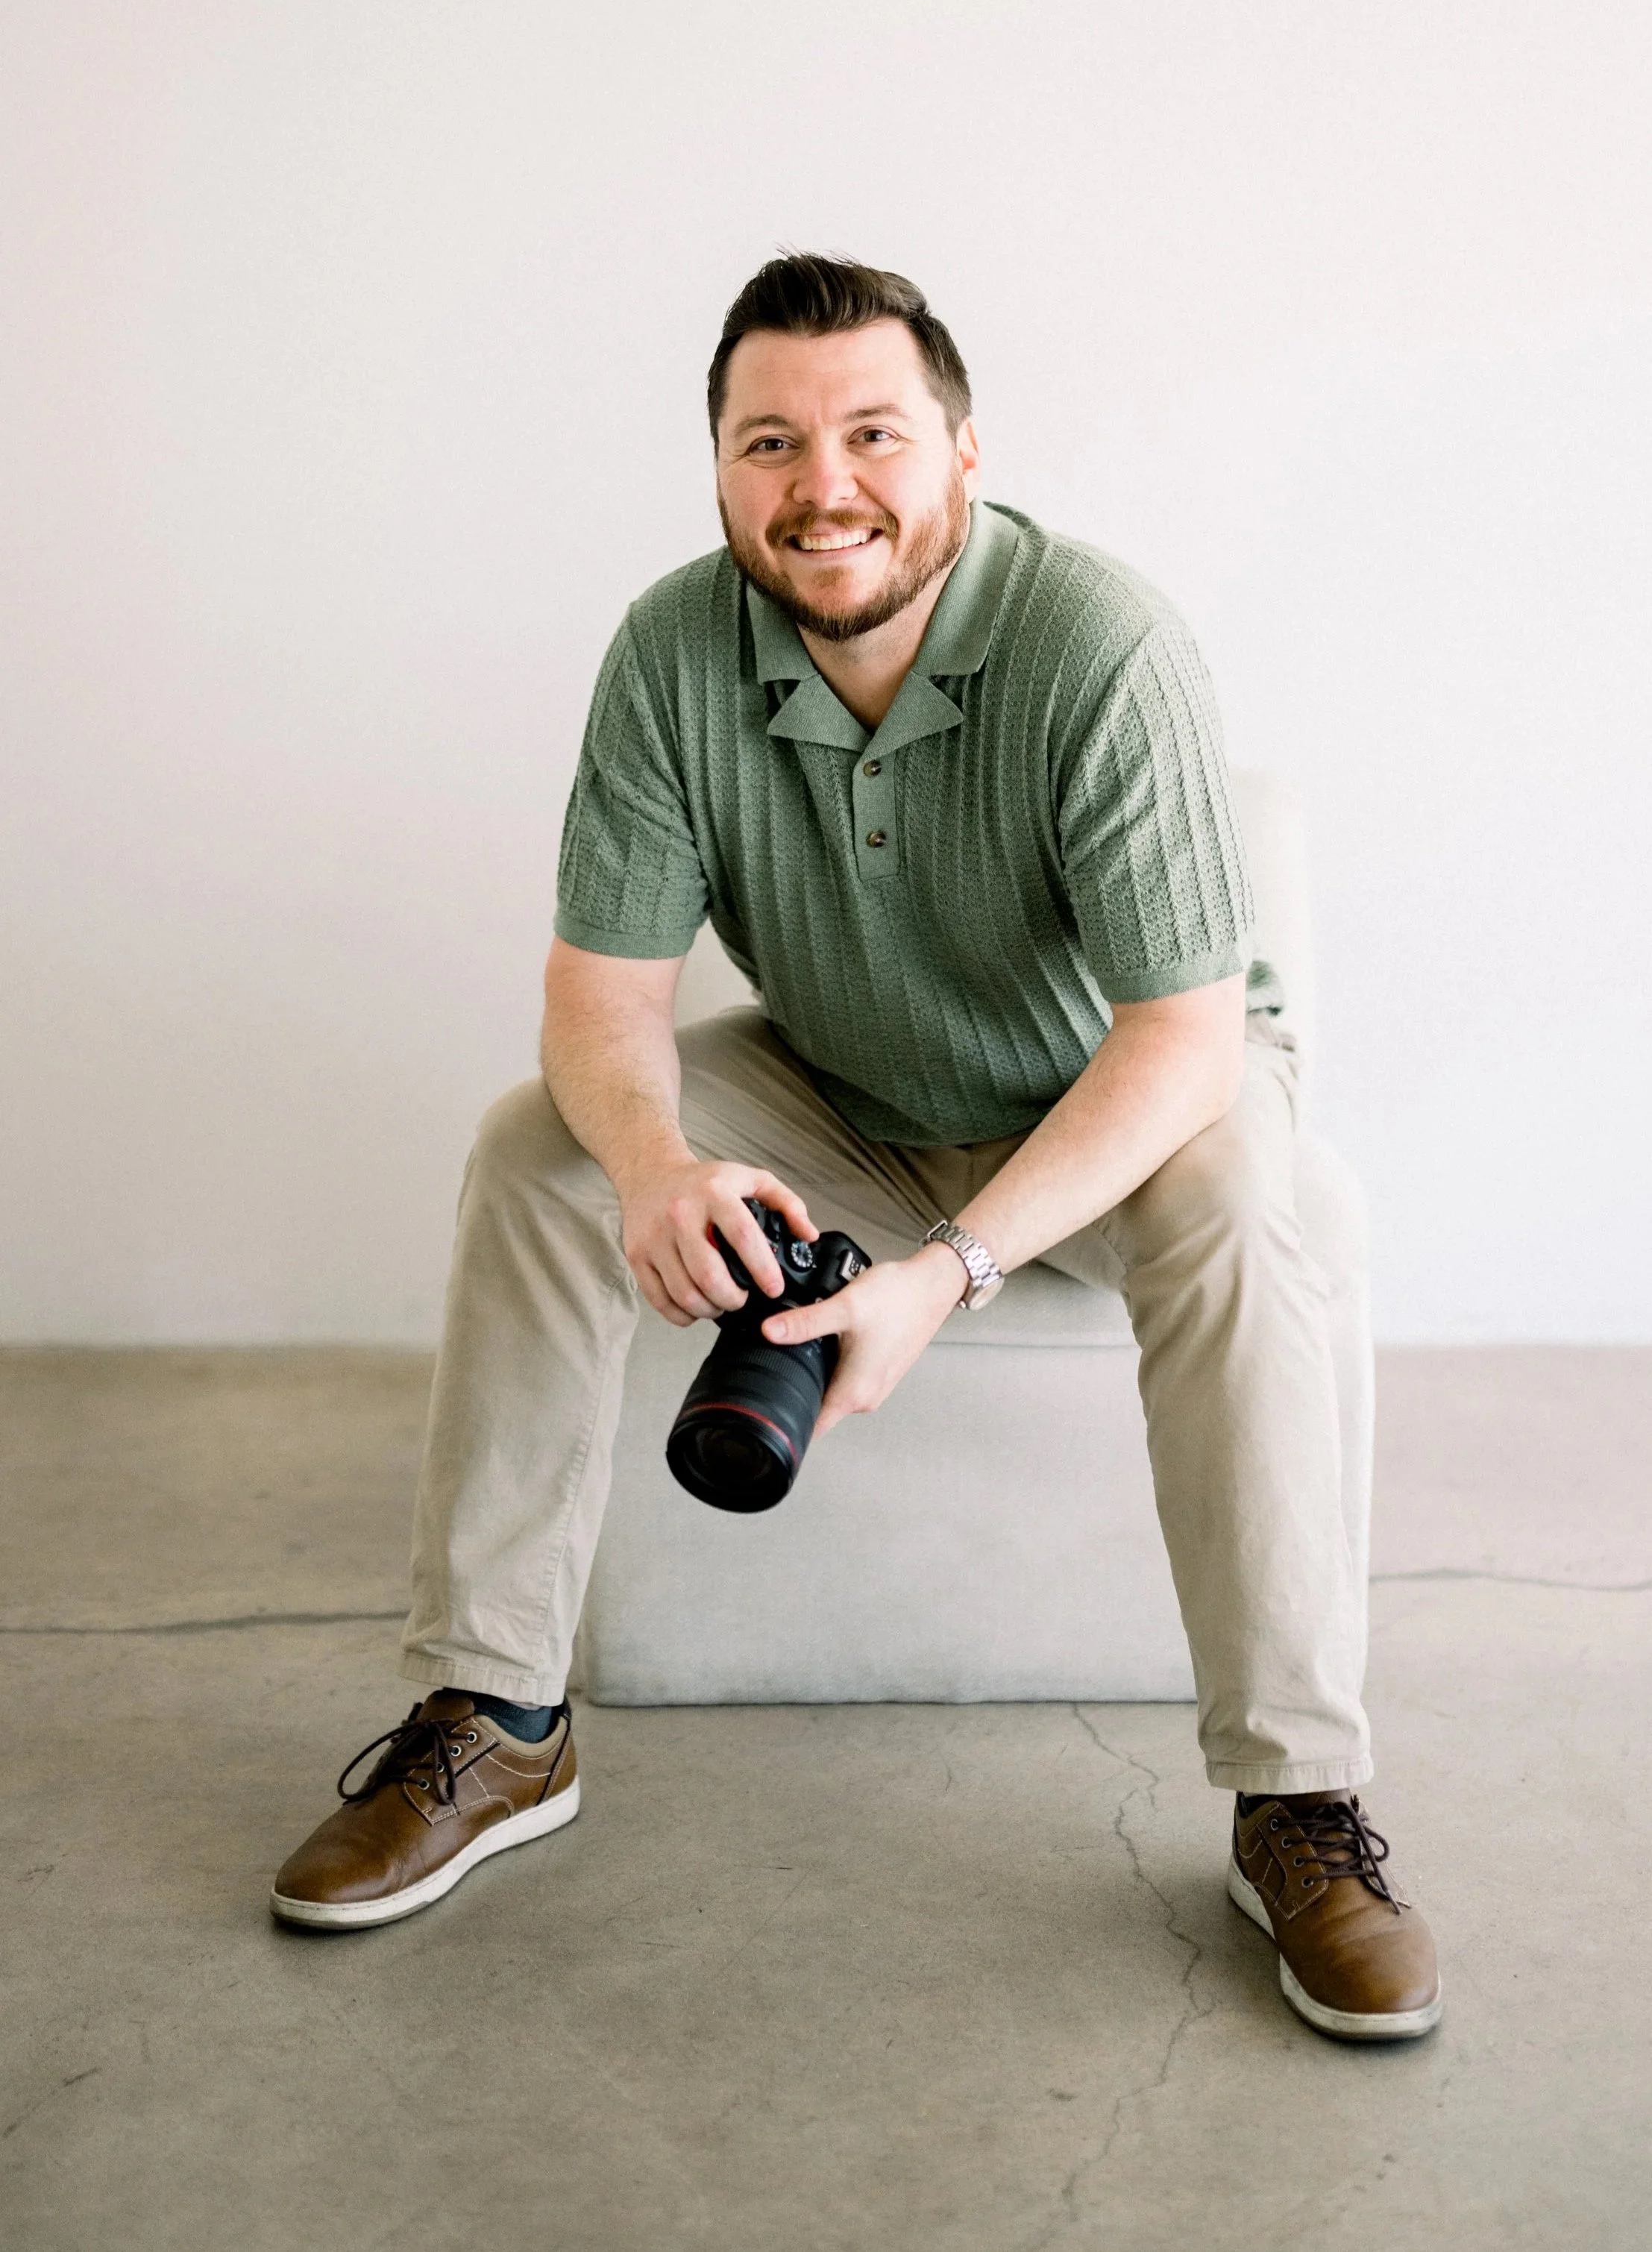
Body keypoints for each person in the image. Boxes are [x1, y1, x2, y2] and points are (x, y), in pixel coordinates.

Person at [271, 254, 1440, 2041]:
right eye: (772, 440)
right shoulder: (673, 651)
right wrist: (660, 1166)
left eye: (875, 431)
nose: (826, 482)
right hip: (847, 1086)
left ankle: (1297, 1800)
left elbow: (1186, 1033)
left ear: (963, 455)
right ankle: (498, 1717)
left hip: (1125, 1097)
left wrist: (951, 1270)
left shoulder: (1099, 642)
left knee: (1244, 1204)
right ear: (725, 472)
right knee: (541, 1149)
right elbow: (601, 998)